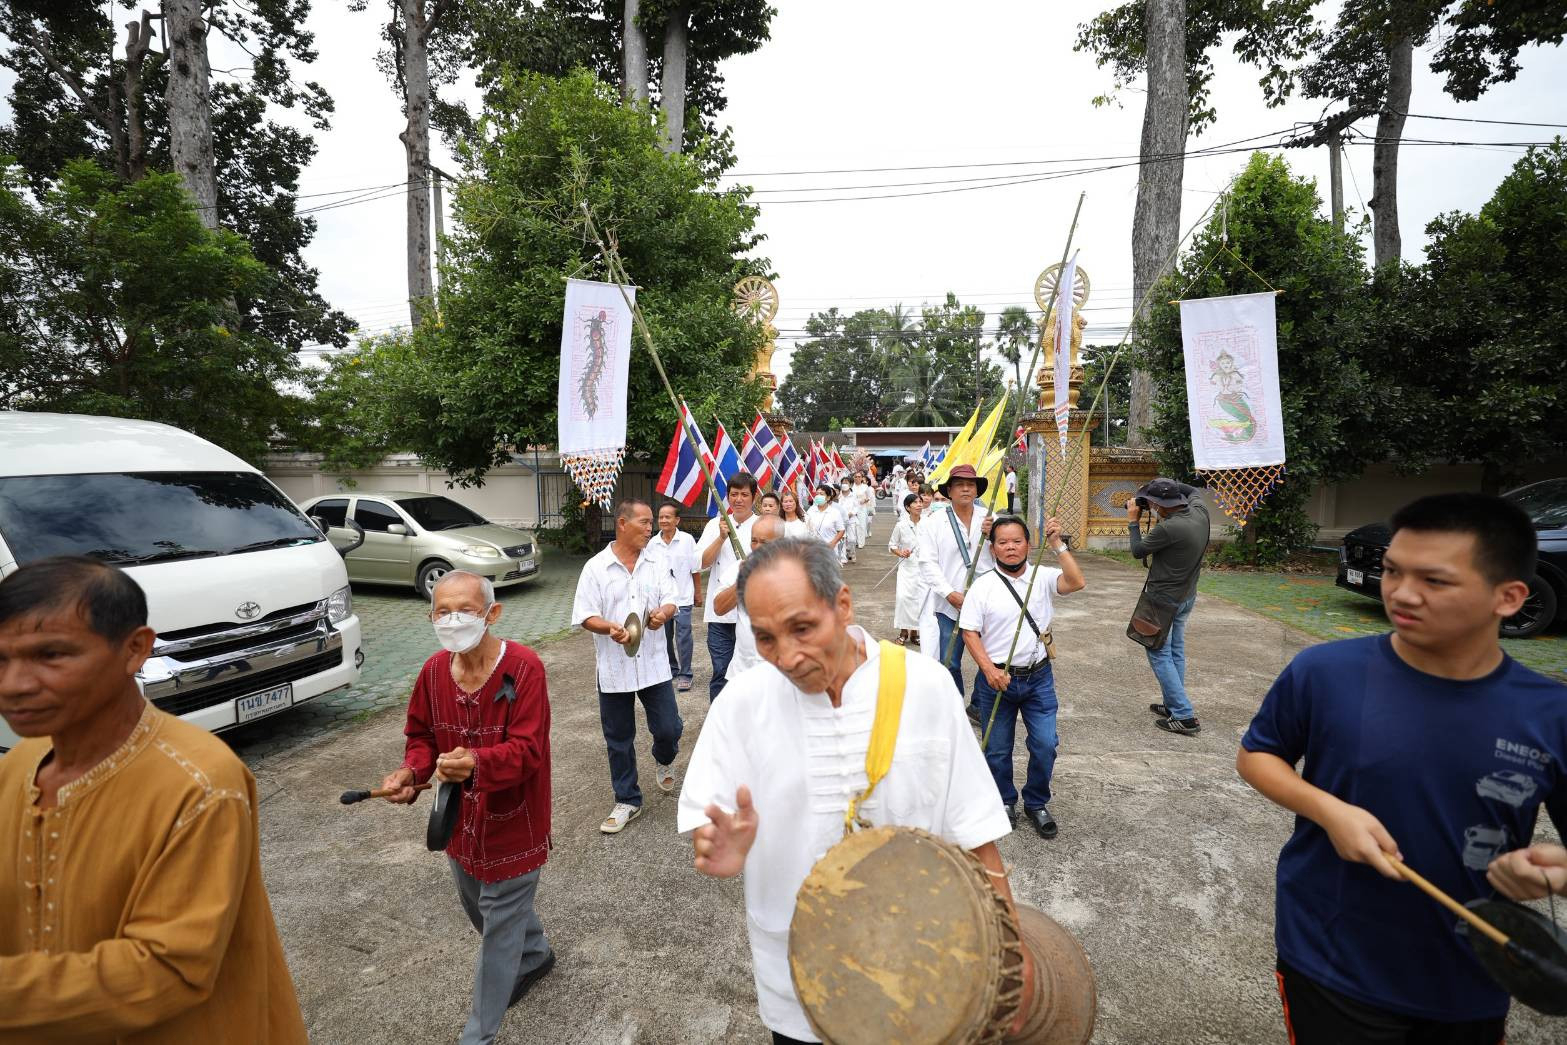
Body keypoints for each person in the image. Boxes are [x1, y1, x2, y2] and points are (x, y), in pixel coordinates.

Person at [1237, 493, 1567, 1045]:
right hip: (1331, 954)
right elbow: (1257, 756)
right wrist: (1330, 810)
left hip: (1474, 969)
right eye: (1393, 570)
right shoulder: (1324, 672)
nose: (1402, 593)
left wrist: (1558, 870)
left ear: (1510, 596)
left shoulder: (1550, 713)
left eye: (1435, 581)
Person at [677, 537, 1019, 1045]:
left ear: (842, 604)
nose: (787, 657)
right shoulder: (742, 704)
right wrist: (718, 845)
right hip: (800, 981)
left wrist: (1011, 959)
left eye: (802, 628)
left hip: (925, 971)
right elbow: (709, 819)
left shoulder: (926, 686)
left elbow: (975, 829)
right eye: (766, 638)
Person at [0, 557, 307, 1043]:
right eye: (1, 660)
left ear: (135, 649)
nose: (14, 684)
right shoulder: (18, 766)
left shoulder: (200, 785)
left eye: (51, 655)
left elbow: (167, 970)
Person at [382, 569, 554, 1045]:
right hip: (458, 821)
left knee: (497, 932)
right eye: (443, 612)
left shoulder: (525, 668)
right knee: (479, 907)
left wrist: (477, 761)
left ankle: (477, 1036)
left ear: (492, 614)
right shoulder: (433, 672)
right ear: (430, 617)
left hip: (514, 821)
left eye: (466, 610)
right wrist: (411, 772)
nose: (453, 620)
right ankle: (535, 953)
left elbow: (528, 751)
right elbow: (421, 736)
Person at [959, 517, 1085, 838]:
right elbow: (969, 631)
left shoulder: (1042, 576)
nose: (1011, 547)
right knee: (997, 749)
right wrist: (989, 670)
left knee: (1045, 744)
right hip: (996, 681)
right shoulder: (982, 586)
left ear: (1028, 544)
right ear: (993, 548)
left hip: (1038, 678)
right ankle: (1004, 800)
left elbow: (1075, 582)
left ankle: (1036, 802)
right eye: (1003, 542)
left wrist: (1057, 544)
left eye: (1017, 541)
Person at [572, 499, 682, 833]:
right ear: (622, 523)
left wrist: (663, 613)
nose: (651, 529)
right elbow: (585, 615)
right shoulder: (596, 568)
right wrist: (608, 627)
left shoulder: (656, 561)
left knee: (669, 728)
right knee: (618, 738)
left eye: (651, 523)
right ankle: (628, 799)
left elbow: (671, 598)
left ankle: (664, 757)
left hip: (653, 664)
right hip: (614, 667)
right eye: (644, 522)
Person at [1126, 477, 1210, 736]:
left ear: (1159, 504)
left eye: (1151, 503)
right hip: (1187, 596)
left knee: (1158, 652)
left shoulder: (1169, 528)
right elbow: (1191, 490)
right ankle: (1173, 703)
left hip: (1163, 600)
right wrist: (1162, 486)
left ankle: (1184, 715)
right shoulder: (1199, 512)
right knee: (1175, 650)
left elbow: (1138, 550)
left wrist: (1133, 520)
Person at [917, 463, 995, 698]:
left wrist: (993, 537)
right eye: (959, 484)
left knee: (992, 660)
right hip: (949, 606)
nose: (965, 489)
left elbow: (1006, 555)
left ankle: (979, 704)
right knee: (949, 661)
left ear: (977, 490)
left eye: (970, 484)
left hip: (987, 603)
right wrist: (949, 594)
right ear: (949, 491)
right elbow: (927, 563)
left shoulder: (991, 520)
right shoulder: (933, 522)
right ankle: (955, 707)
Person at [697, 472, 758, 702]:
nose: (738, 499)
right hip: (720, 615)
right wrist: (721, 538)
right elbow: (701, 563)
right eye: (734, 494)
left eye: (744, 494)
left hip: (751, 615)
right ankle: (720, 718)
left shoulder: (761, 526)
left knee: (750, 674)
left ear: (754, 497)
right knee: (721, 671)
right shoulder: (715, 524)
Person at [709, 514, 782, 679]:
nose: (757, 547)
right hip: (742, 670)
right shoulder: (739, 568)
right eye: (754, 541)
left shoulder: (796, 572)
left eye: (764, 542)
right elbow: (719, 608)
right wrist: (742, 581)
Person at [651, 500, 701, 693]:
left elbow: (695, 568)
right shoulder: (652, 544)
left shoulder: (687, 540)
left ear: (677, 520)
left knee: (683, 637)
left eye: (668, 517)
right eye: (661, 517)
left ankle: (685, 673)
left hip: (683, 597)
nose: (663, 520)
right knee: (664, 636)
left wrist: (698, 592)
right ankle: (671, 668)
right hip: (662, 600)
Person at [887, 492, 926, 646]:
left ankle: (915, 633)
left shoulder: (928, 524)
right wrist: (901, 552)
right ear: (907, 507)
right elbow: (892, 545)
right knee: (903, 599)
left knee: (919, 600)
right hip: (906, 568)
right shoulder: (901, 525)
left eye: (920, 502)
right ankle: (903, 632)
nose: (919, 505)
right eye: (915, 503)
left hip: (923, 568)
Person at [804, 483, 845, 555]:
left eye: (821, 494)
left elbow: (841, 530)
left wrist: (833, 543)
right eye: (817, 494)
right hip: (813, 549)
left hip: (829, 549)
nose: (818, 496)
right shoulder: (811, 510)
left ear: (828, 497)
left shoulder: (835, 512)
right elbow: (806, 527)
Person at [838, 479, 860, 562]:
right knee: (842, 538)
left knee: (852, 539)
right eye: (843, 483)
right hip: (840, 520)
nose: (844, 484)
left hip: (851, 520)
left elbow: (857, 507)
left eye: (846, 483)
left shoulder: (853, 495)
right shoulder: (838, 495)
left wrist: (852, 513)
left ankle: (851, 552)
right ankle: (843, 557)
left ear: (850, 484)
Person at [853, 472, 875, 547]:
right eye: (856, 477)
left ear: (862, 478)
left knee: (861, 525)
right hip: (852, 508)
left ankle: (861, 543)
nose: (857, 478)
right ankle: (855, 541)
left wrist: (865, 500)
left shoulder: (865, 487)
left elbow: (869, 497)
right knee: (853, 525)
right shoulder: (851, 486)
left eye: (859, 477)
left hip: (862, 508)